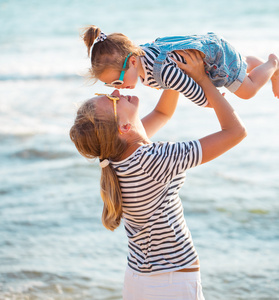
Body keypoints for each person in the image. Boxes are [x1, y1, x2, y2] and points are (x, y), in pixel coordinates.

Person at [70, 51, 247, 299]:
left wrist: (172, 68)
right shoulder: (153, 160)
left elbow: (163, 113)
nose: (117, 91)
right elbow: (235, 132)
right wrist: (204, 81)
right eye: (111, 99)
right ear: (124, 127)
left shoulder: (118, 156)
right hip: (171, 283)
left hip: (138, 278)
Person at [81, 25, 279, 109]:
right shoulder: (137, 55)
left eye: (117, 80)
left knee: (247, 91)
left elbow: (187, 86)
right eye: (110, 85)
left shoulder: (163, 71)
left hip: (215, 58)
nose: (118, 87)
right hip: (212, 50)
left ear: (132, 62)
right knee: (237, 67)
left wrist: (206, 102)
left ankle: (273, 64)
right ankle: (247, 62)